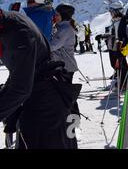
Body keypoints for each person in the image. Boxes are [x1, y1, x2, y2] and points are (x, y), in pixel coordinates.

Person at [0, 9, 79, 149]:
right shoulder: (9, 21)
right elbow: (19, 72)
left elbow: (21, 88)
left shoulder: (18, 33)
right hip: (37, 99)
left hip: (47, 108)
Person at [105, 2, 127, 88]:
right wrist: (104, 36)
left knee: (121, 64)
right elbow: (111, 33)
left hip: (118, 46)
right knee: (114, 64)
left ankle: (124, 81)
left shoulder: (121, 21)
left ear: (116, 11)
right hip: (112, 46)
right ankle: (121, 78)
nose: (110, 13)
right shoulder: (114, 21)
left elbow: (120, 35)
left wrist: (120, 45)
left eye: (112, 11)